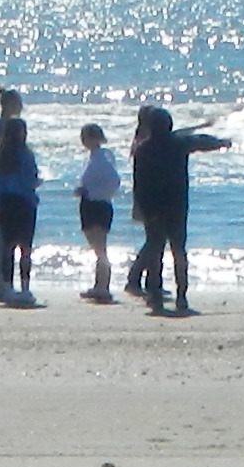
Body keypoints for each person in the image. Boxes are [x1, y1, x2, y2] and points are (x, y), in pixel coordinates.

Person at [128, 103, 230, 316]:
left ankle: (155, 297)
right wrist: (222, 143)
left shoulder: (143, 150)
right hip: (176, 206)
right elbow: (201, 141)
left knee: (155, 253)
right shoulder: (178, 144)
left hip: (153, 208)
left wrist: (139, 207)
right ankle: (181, 296)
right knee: (178, 252)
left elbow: (138, 182)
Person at [0, 107, 42, 305]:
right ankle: (25, 288)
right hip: (26, 203)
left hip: (6, 203)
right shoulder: (26, 155)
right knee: (26, 247)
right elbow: (32, 178)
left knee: (7, 247)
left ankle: (8, 287)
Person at [73, 122, 120, 304]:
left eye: (85, 136)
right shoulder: (94, 157)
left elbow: (113, 182)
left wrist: (90, 192)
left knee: (100, 247)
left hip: (98, 205)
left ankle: (103, 286)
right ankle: (99, 284)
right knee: (97, 247)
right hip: (91, 204)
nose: (83, 140)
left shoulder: (103, 158)